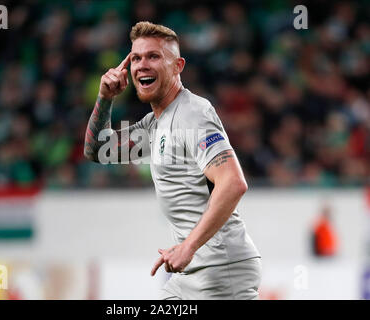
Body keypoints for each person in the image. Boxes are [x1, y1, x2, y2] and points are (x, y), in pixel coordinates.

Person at [84, 21, 261, 300]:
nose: (142, 64)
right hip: (192, 274)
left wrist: (188, 246)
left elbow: (233, 183)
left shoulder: (192, 114)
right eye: (136, 58)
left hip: (219, 272)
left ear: (178, 66)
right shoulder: (154, 125)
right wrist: (105, 98)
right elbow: (97, 150)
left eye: (153, 56)